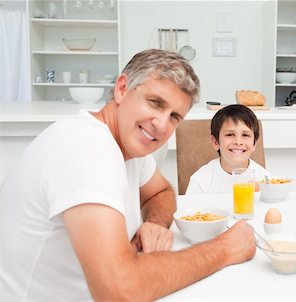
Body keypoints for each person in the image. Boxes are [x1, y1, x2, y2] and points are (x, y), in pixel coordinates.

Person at [0, 49, 255, 301]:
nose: (162, 125)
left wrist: (153, 223)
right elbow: (120, 291)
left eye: (174, 116)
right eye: (155, 103)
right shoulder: (87, 148)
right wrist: (225, 249)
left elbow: (160, 192)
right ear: (122, 88)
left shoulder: (127, 148)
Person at [186, 104, 270, 194]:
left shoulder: (265, 180)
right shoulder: (200, 181)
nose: (238, 142)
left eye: (245, 135)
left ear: (254, 143)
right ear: (216, 142)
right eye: (230, 135)